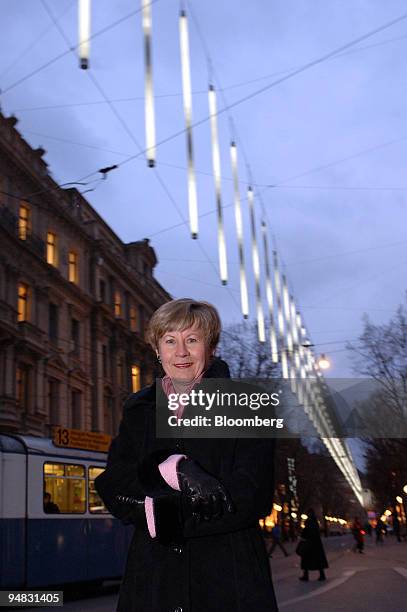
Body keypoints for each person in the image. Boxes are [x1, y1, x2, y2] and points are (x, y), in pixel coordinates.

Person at [95, 298, 278, 611]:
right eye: (170, 341)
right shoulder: (139, 409)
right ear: (157, 350)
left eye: (192, 340)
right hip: (153, 581)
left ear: (211, 348)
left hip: (227, 581)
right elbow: (112, 486)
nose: (180, 352)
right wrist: (173, 469)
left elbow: (251, 496)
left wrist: (158, 512)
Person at [298, 509, 328, 581]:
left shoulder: (309, 522)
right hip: (316, 544)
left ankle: (306, 575)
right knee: (318, 560)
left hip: (309, 543)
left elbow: (306, 532)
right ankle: (321, 575)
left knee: (306, 560)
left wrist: (303, 537)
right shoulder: (315, 521)